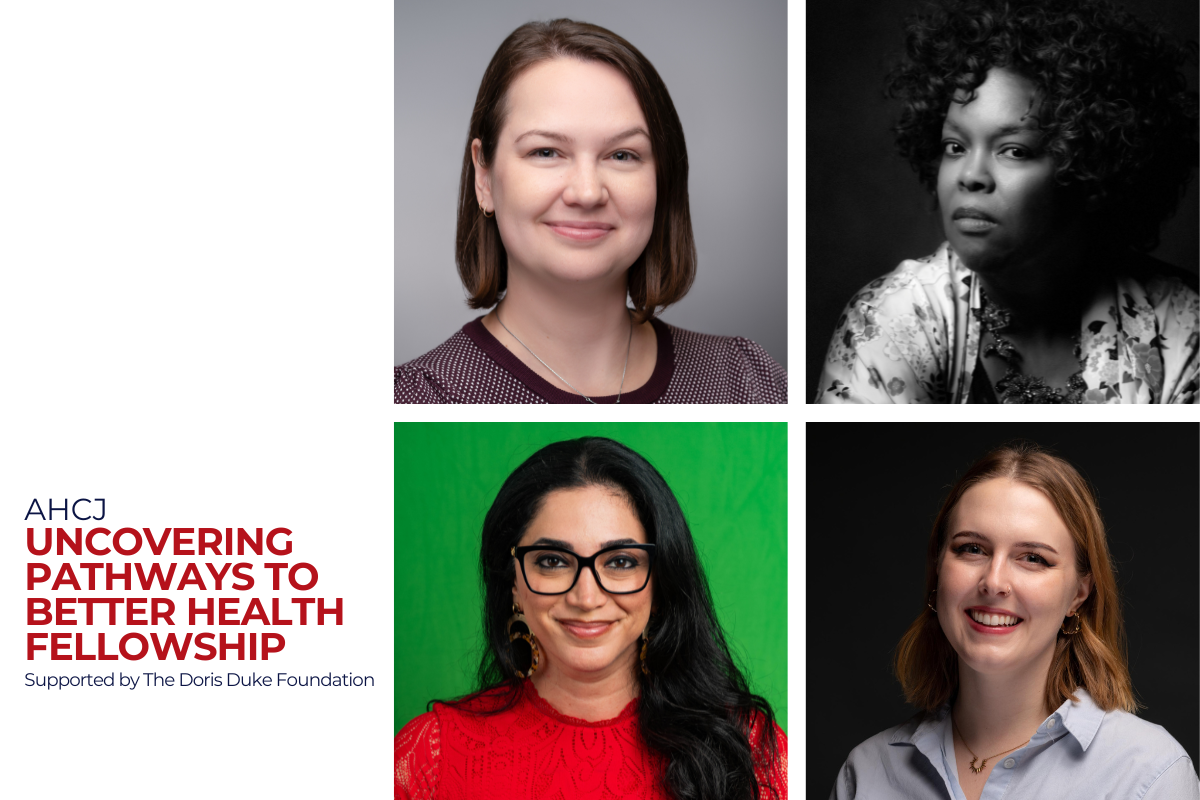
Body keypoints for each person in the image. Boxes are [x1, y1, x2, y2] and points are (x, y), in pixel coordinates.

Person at [816, 0, 1199, 403]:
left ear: (1093, 167)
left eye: (1013, 150)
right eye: (955, 146)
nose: (970, 175)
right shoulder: (890, 319)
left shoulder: (1183, 325)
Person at [394, 19, 787, 404]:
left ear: (663, 180)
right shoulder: (415, 398)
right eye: (545, 152)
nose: (586, 192)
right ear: (484, 175)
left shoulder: (750, 380)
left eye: (622, 155)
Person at [394, 437, 787, 799]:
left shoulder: (751, 748)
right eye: (552, 561)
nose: (586, 597)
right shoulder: (432, 755)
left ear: (660, 578)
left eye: (619, 561)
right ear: (512, 581)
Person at [830, 443, 1197, 799]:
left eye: (1033, 558)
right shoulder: (865, 774)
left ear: (1078, 594)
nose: (994, 582)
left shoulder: (1150, 774)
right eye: (972, 549)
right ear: (938, 570)